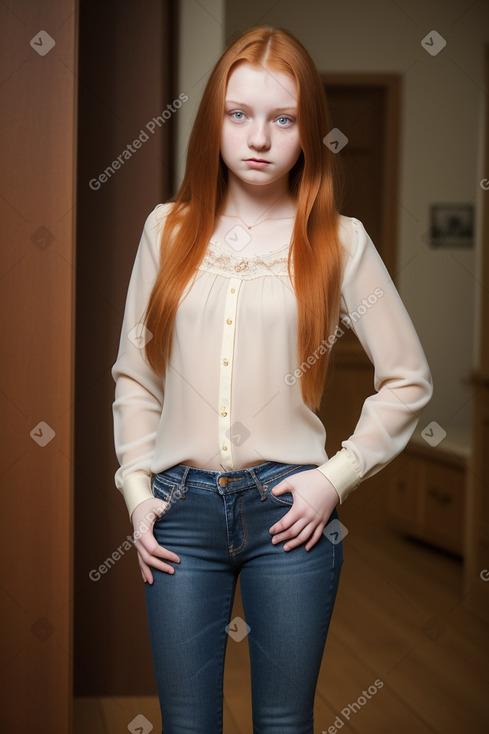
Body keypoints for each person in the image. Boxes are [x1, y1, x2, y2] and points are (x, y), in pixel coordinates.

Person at [111, 25, 433, 734]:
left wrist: (333, 478)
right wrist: (137, 494)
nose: (258, 138)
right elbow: (136, 377)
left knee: (284, 724)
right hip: (177, 517)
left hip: (291, 515)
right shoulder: (165, 231)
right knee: (187, 725)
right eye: (239, 115)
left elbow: (408, 379)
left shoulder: (340, 242)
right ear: (214, 125)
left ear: (307, 131)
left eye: (281, 119)